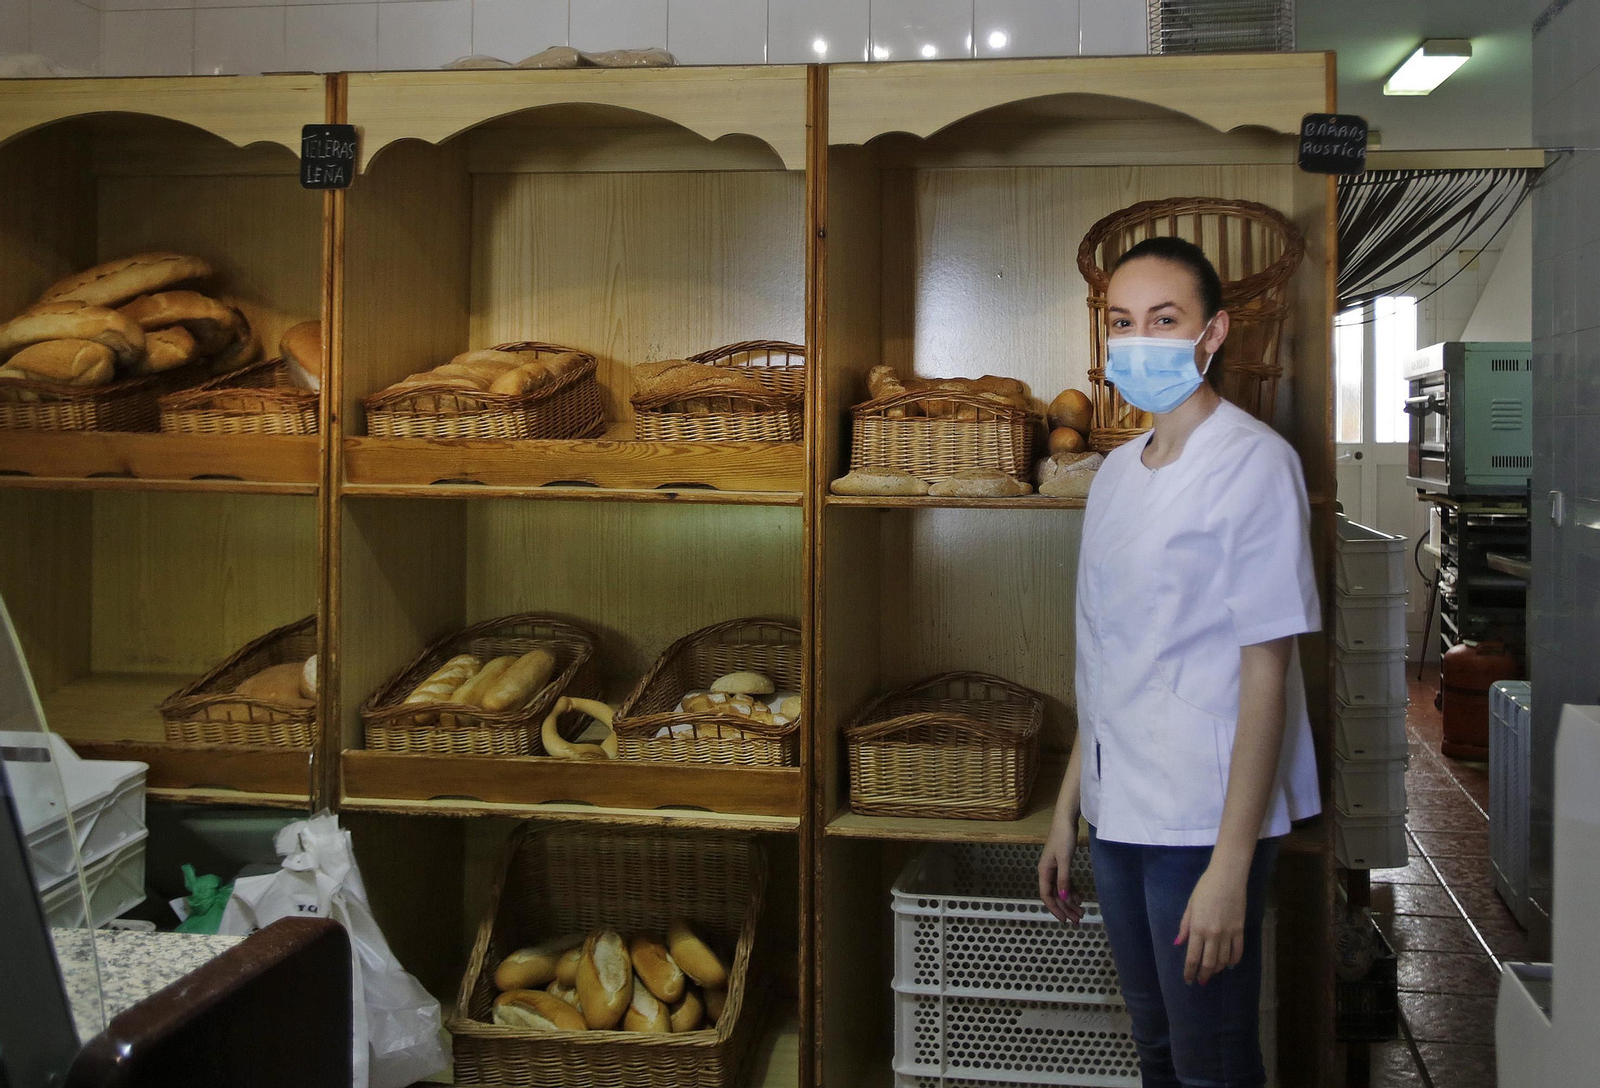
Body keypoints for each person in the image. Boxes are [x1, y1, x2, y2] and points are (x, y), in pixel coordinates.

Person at [1037, 236, 1321, 1088]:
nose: (1141, 339)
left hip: (1204, 821)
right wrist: (1066, 812)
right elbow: (1109, 658)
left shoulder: (1256, 464)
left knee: (1215, 1062)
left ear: (1213, 334)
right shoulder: (1117, 473)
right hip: (1120, 808)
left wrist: (1231, 868)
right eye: (1123, 322)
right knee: (1157, 1047)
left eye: (1166, 319)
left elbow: (1266, 672)